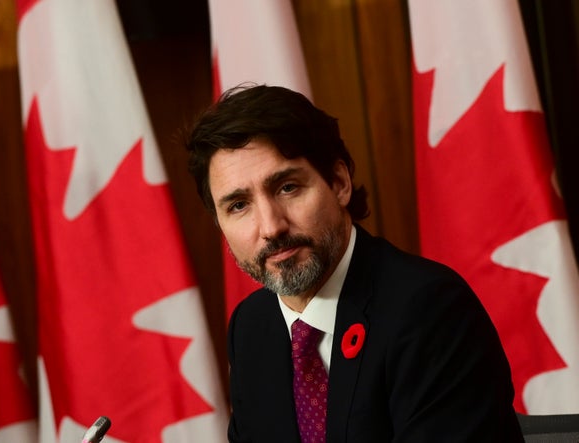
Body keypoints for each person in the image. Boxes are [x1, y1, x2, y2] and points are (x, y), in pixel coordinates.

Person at [184, 84, 524, 442]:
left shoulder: (430, 310)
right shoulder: (252, 327)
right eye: (239, 206)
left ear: (340, 183)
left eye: (287, 187)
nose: (271, 227)